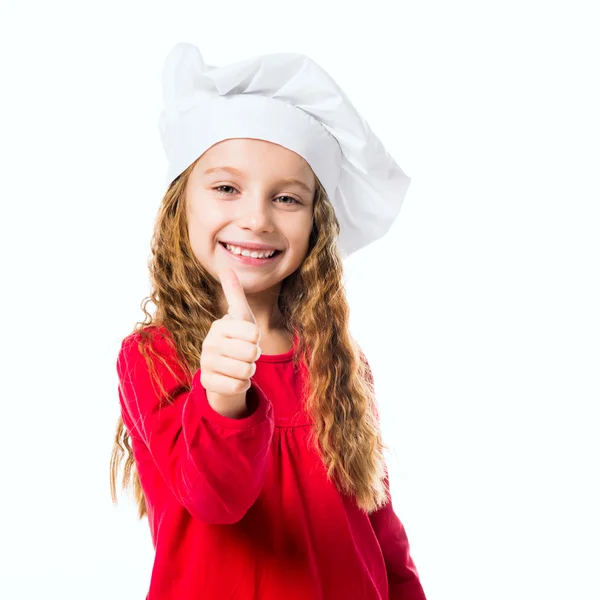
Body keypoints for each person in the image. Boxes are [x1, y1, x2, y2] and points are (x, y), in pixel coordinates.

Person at [110, 43, 427, 600]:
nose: (256, 218)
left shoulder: (337, 362)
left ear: (315, 225)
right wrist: (224, 397)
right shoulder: (154, 357)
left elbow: (380, 532)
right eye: (227, 188)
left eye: (286, 198)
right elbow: (215, 498)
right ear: (181, 203)